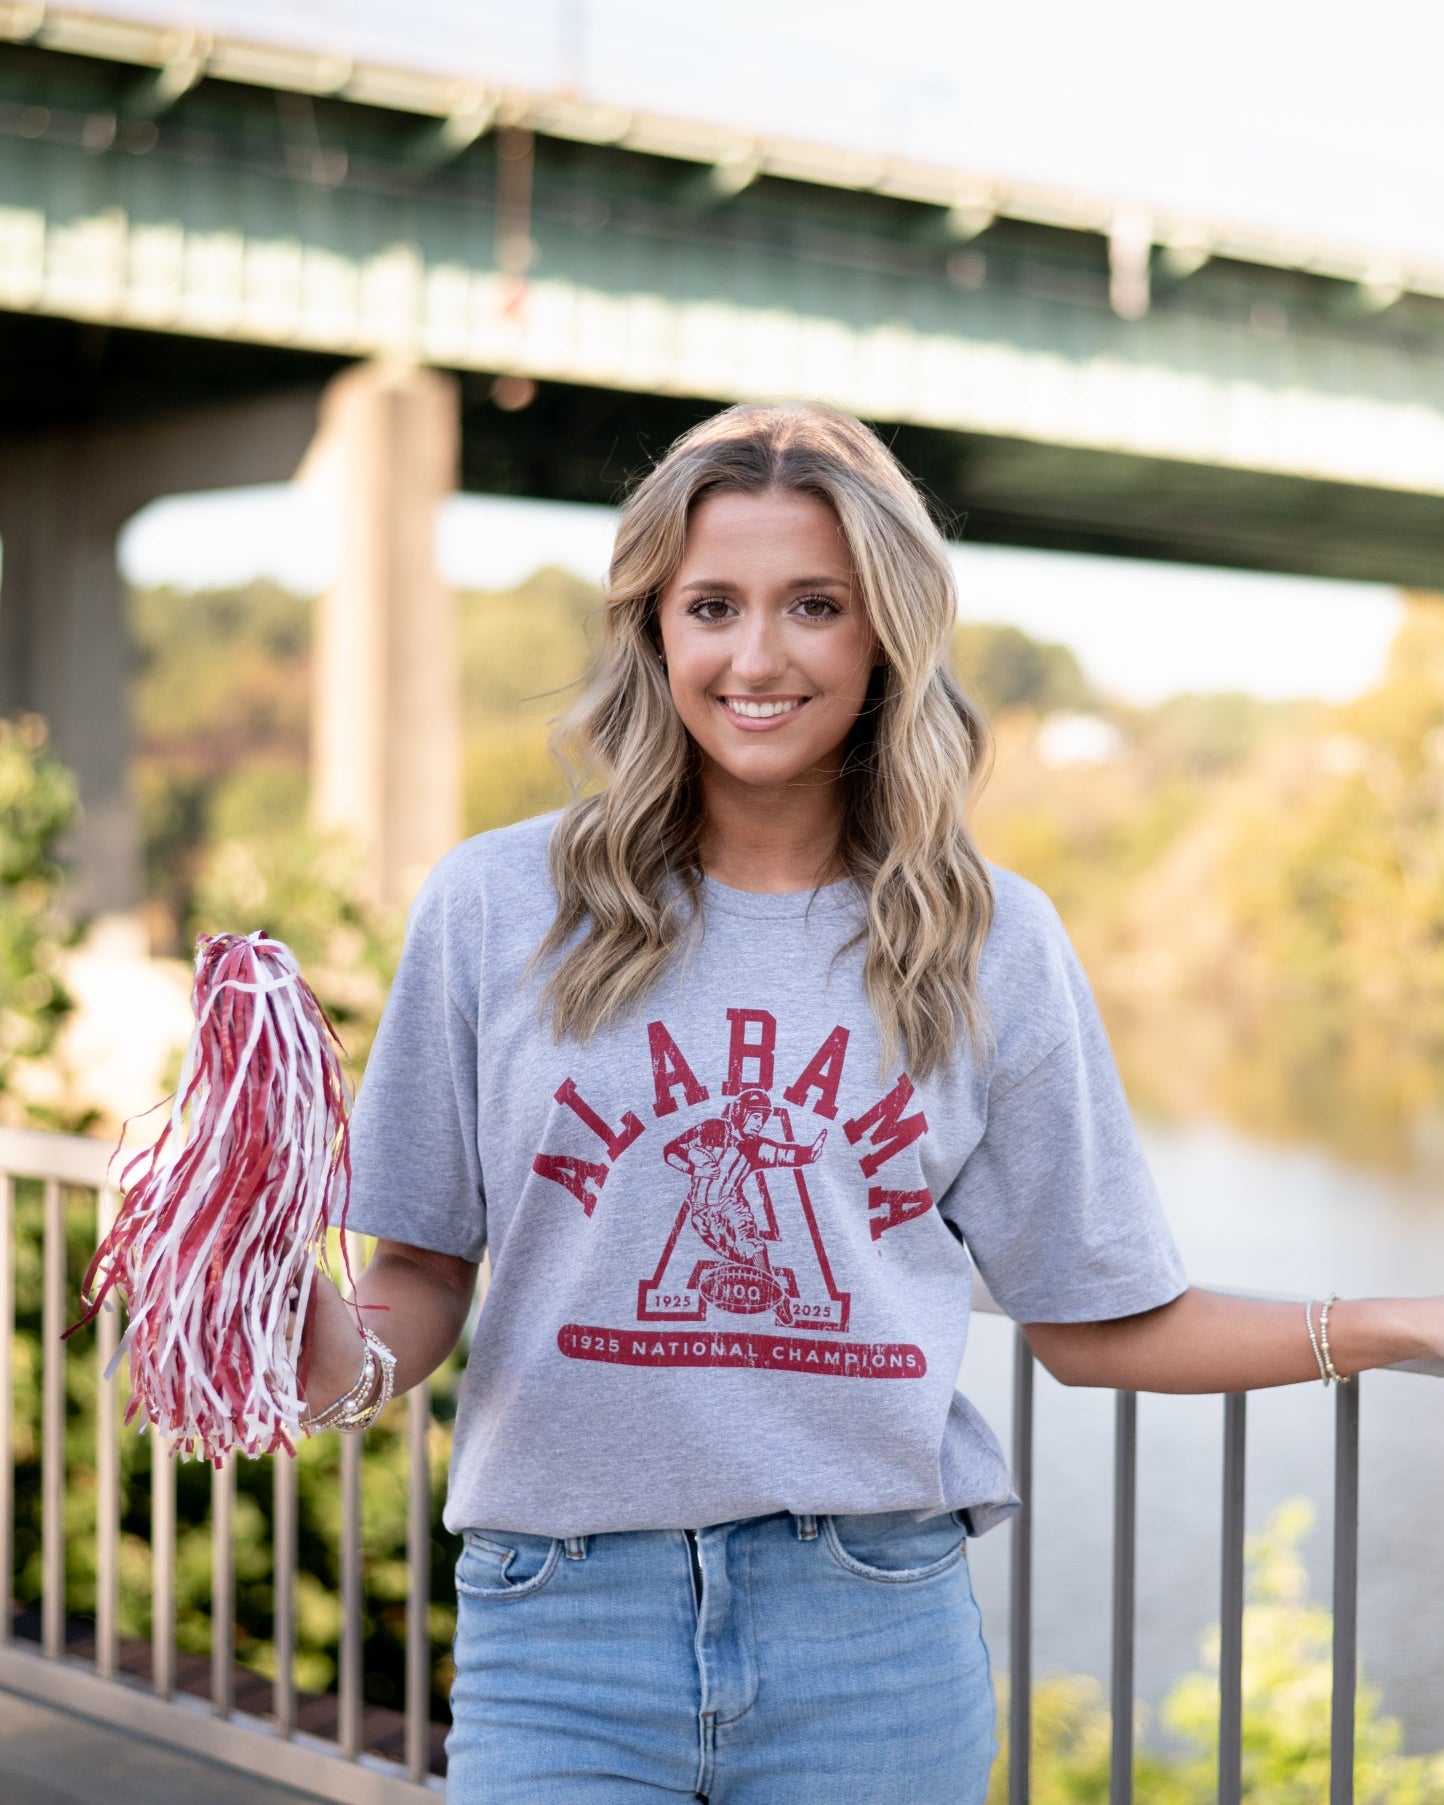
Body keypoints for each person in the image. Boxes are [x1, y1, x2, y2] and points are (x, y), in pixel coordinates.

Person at [300, 402, 1444, 1804]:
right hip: (561, 1633)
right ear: (654, 627)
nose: (757, 655)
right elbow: (418, 1270)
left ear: (884, 635)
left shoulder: (986, 940)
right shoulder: (495, 905)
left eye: (815, 605)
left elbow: (1094, 1322)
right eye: (712, 603)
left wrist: (1397, 1321)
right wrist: (320, 1346)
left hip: (868, 1636)